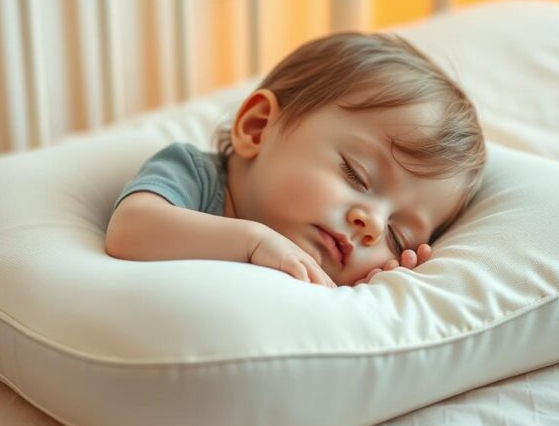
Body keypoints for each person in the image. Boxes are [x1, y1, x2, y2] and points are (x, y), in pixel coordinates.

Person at [105, 32, 486, 288]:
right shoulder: (196, 176)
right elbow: (129, 230)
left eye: (395, 235)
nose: (371, 225)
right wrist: (253, 243)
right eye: (357, 175)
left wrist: (380, 282)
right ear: (257, 128)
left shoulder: (327, 278)